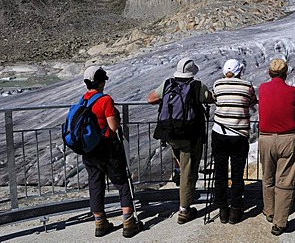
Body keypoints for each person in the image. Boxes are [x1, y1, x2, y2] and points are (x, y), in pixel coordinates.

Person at [147, 57, 213, 224]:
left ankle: (179, 182)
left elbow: (151, 99)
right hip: (190, 135)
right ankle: (184, 210)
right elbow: (209, 98)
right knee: (188, 172)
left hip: (171, 134)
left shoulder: (168, 83)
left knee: (181, 164)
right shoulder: (197, 86)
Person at [81, 66, 143, 238]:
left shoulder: (83, 100)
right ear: (101, 82)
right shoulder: (105, 100)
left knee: (95, 184)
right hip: (107, 148)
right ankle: (128, 223)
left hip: (89, 151)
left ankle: (100, 224)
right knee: (122, 182)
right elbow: (113, 126)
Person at [258, 59, 295, 236]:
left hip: (266, 139)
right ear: (286, 73)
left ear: (270, 73)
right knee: (285, 181)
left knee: (268, 177)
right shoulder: (293, 91)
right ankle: (279, 222)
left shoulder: (262, 88)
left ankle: (269, 211)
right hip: (287, 139)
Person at [211, 59, 257, 224]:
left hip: (219, 133)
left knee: (220, 172)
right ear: (239, 72)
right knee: (237, 174)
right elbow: (252, 102)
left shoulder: (217, 84)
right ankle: (236, 210)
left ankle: (223, 209)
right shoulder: (247, 86)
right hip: (238, 135)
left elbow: (216, 100)